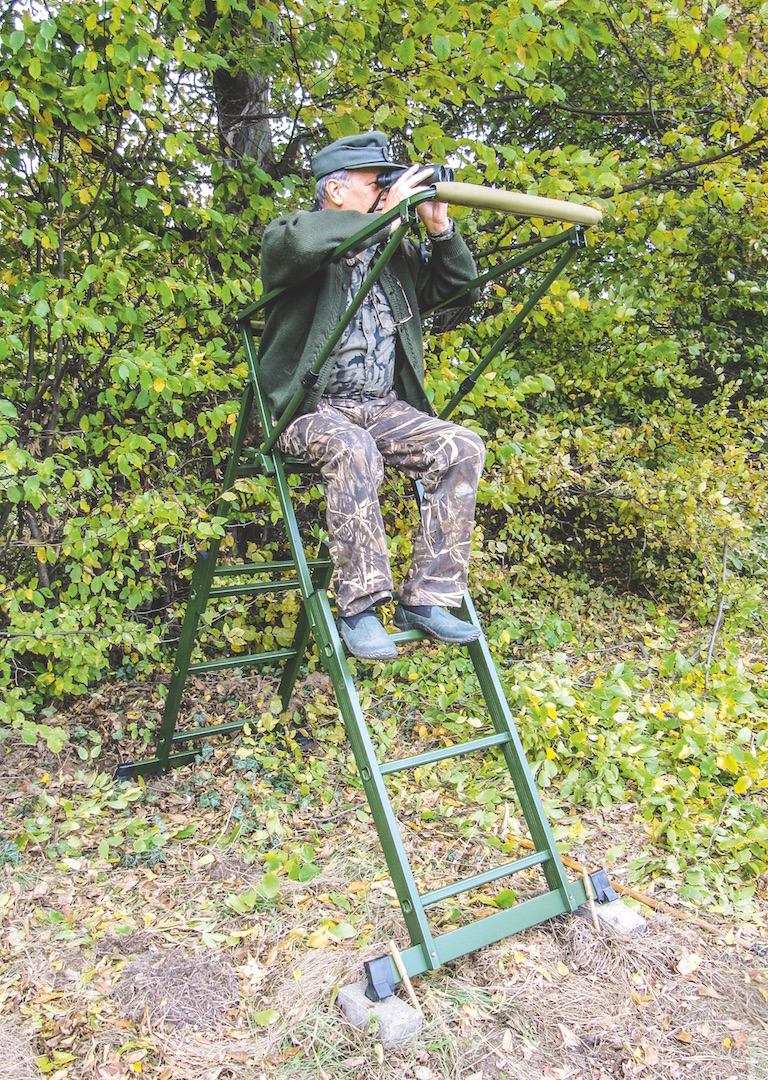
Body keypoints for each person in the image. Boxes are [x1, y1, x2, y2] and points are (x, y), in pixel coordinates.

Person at [256, 132, 485, 660]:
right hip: (307, 409)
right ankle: (358, 607)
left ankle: (426, 598)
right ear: (335, 192)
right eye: (375, 183)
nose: (386, 192)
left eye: (390, 183)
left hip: (379, 407)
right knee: (352, 447)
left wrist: (439, 228)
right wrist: (388, 214)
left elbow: (458, 293)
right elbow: (296, 246)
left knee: (463, 447)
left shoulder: (396, 251)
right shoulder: (294, 235)